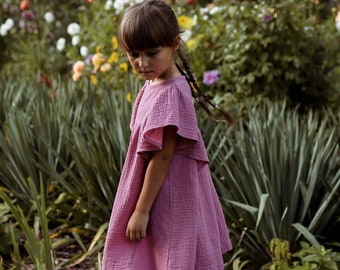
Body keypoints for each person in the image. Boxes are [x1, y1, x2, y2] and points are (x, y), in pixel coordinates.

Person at [102, 0, 233, 269]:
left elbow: (162, 158)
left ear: (174, 43)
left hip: (170, 193)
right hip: (161, 190)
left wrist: (141, 210)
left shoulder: (170, 94)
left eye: (151, 52)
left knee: (172, 253)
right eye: (133, 54)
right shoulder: (154, 84)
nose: (141, 63)